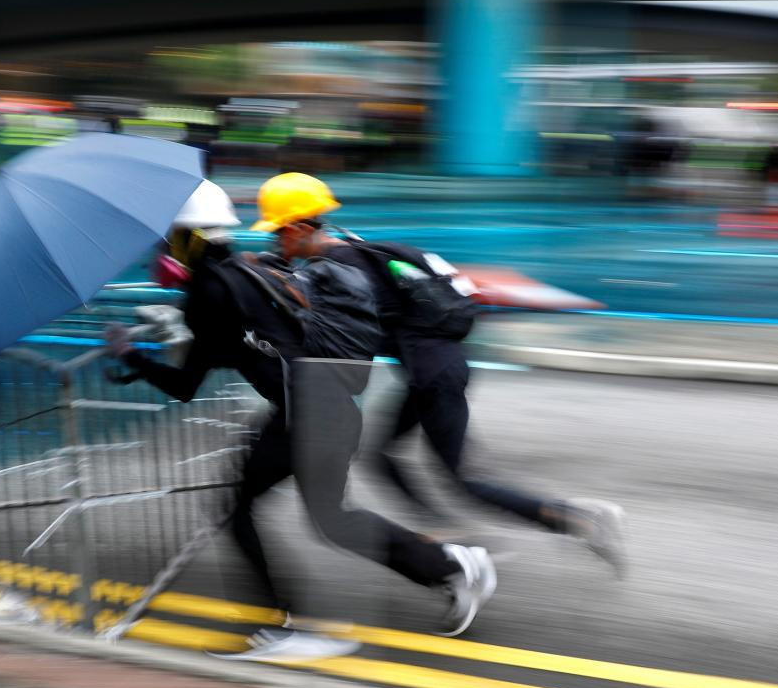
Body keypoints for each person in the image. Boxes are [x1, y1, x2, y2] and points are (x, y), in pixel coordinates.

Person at [105, 179, 497, 660]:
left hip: (307, 416)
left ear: (190, 238)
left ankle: (292, 625)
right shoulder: (243, 272)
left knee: (242, 509)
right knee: (332, 520)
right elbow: (244, 347)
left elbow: (185, 386)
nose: (162, 249)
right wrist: (179, 333)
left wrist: (130, 354)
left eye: (168, 239)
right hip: (327, 408)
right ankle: (451, 566)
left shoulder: (209, 292)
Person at [250, 172, 626, 575]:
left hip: (434, 375)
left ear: (301, 228)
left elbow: (340, 340)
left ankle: (578, 519)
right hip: (432, 368)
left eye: (279, 233)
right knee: (382, 455)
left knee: (464, 480)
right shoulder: (356, 249)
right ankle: (445, 533)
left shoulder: (338, 268)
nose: (277, 241)